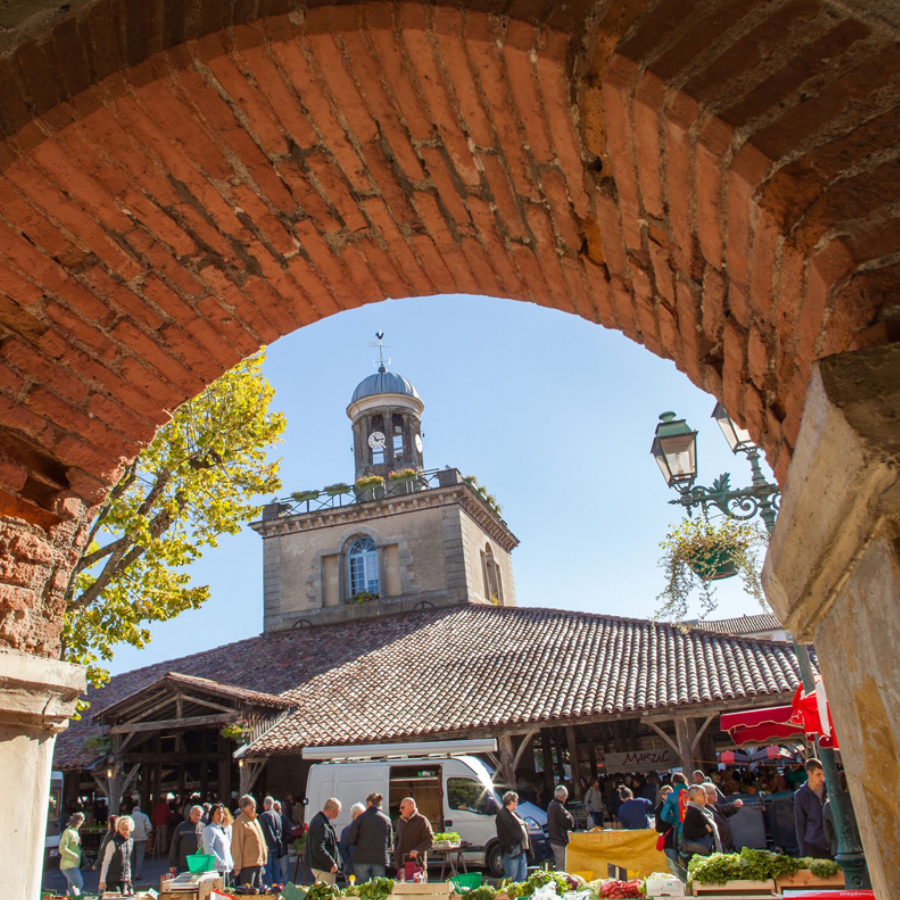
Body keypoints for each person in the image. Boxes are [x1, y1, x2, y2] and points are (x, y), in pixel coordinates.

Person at [348, 792, 392, 883]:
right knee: (378, 890)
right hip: (379, 859)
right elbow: (389, 842)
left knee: (362, 889)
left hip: (362, 858)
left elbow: (351, 840)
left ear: (369, 803)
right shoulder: (386, 820)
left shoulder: (361, 818)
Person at [795, 758, 831, 858]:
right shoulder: (800, 795)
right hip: (814, 844)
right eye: (818, 774)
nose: (822, 778)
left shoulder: (829, 788)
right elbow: (800, 824)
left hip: (833, 842)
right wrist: (803, 851)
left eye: (823, 774)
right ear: (809, 774)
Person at [232, 795, 268, 889]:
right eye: (251, 805)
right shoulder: (240, 822)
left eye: (255, 805)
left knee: (258, 892)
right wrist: (237, 866)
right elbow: (236, 845)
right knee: (248, 892)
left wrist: (264, 857)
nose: (254, 807)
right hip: (248, 864)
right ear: (244, 807)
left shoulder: (254, 819)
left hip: (258, 862)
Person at [496, 791, 530, 883]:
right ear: (511, 802)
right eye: (516, 802)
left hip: (520, 848)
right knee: (511, 876)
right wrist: (509, 848)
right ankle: (500, 894)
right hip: (512, 850)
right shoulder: (502, 814)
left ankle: (518, 894)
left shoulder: (513, 813)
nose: (516, 804)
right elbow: (503, 835)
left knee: (522, 875)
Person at [394, 797, 434, 874]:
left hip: (417, 864)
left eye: (403, 807)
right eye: (400, 808)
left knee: (418, 886)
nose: (400, 810)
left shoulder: (422, 820)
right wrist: (396, 855)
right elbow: (397, 840)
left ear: (411, 806)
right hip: (401, 865)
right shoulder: (400, 821)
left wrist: (417, 849)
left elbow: (429, 840)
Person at [680, 786, 721, 861]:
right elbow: (688, 832)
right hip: (701, 856)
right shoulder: (693, 812)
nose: (706, 796)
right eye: (703, 794)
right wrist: (705, 830)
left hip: (706, 854)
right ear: (696, 796)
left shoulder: (701, 810)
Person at [308, 797, 342, 884]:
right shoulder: (321, 823)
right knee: (326, 895)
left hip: (322, 866)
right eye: (339, 811)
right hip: (324, 868)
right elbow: (318, 847)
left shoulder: (321, 820)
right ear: (333, 810)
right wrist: (330, 863)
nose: (339, 813)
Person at [98, 815, 135, 895]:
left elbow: (128, 861)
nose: (125, 831)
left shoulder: (131, 841)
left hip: (125, 879)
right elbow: (106, 862)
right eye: (123, 829)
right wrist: (102, 881)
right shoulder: (113, 842)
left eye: (127, 829)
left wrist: (129, 879)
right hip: (112, 879)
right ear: (118, 828)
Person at [703, 784, 743, 852]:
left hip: (727, 846)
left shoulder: (715, 806)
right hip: (722, 847)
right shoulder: (706, 810)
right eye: (713, 793)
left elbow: (725, 809)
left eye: (716, 792)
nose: (716, 795)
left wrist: (734, 806)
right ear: (706, 795)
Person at [170, 805, 205, 874]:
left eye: (200, 815)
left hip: (198, 863)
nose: (198, 817)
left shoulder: (203, 827)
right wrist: (172, 864)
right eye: (196, 815)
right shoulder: (181, 827)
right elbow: (174, 844)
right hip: (183, 864)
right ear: (190, 814)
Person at [202, 803, 234, 878]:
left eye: (222, 813)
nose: (221, 815)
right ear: (212, 815)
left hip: (226, 870)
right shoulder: (209, 829)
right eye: (218, 813)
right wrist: (221, 863)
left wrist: (230, 862)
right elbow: (209, 850)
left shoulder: (220, 829)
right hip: (217, 871)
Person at [547, 785, 575, 872]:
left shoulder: (552, 804)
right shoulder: (557, 807)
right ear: (564, 797)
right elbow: (567, 823)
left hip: (554, 839)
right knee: (561, 868)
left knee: (560, 865)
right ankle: (559, 884)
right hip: (558, 840)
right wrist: (570, 816)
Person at [259, 796, 284, 886]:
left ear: (264, 805)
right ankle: (277, 890)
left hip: (267, 847)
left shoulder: (263, 816)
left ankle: (270, 892)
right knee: (276, 870)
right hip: (276, 846)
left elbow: (261, 833)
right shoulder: (278, 815)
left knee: (268, 872)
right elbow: (280, 831)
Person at [59, 812, 85, 897]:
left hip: (72, 864)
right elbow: (62, 848)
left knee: (72, 890)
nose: (80, 824)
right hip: (69, 865)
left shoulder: (74, 832)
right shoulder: (68, 832)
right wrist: (74, 856)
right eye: (80, 822)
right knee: (78, 884)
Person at [340, 803, 366, 877]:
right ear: (355, 815)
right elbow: (343, 849)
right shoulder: (346, 831)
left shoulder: (366, 829)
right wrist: (349, 863)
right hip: (350, 870)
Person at [130, 803, 152, 880]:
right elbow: (149, 827)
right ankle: (137, 873)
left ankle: (130, 873)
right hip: (141, 838)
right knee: (140, 856)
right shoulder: (144, 816)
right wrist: (147, 833)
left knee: (132, 857)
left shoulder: (130, 817)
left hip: (131, 839)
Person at [275, 800, 294, 885]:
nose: (277, 811)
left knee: (285, 871)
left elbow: (289, 834)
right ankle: (277, 889)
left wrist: (282, 843)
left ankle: (286, 891)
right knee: (276, 872)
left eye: (278, 809)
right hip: (275, 850)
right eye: (275, 809)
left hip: (283, 850)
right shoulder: (272, 819)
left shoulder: (285, 820)